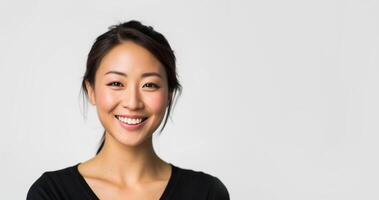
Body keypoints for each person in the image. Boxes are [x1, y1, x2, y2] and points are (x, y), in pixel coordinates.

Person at [26, 20, 230, 200]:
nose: (133, 103)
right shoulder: (52, 193)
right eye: (116, 83)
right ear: (91, 91)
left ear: (169, 94)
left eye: (150, 85)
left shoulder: (206, 193)